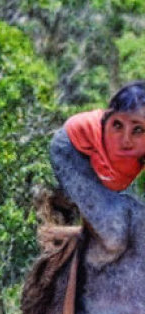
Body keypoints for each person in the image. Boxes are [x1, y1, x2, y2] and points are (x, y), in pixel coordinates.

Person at [49, 81, 145, 256]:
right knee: (114, 235)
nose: (126, 139)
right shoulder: (108, 140)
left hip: (106, 168)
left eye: (138, 130)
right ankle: (67, 239)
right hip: (71, 151)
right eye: (118, 125)